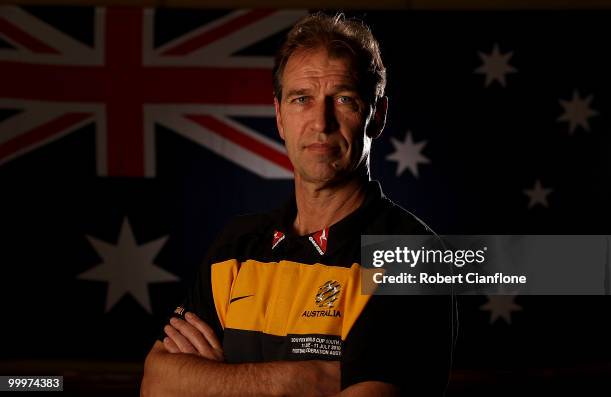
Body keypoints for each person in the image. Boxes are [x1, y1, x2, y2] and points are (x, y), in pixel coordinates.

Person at [141, 12, 453, 397]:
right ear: (279, 116)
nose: (320, 122)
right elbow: (157, 384)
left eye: (343, 99)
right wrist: (302, 380)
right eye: (302, 99)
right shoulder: (236, 245)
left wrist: (210, 382)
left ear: (377, 116)